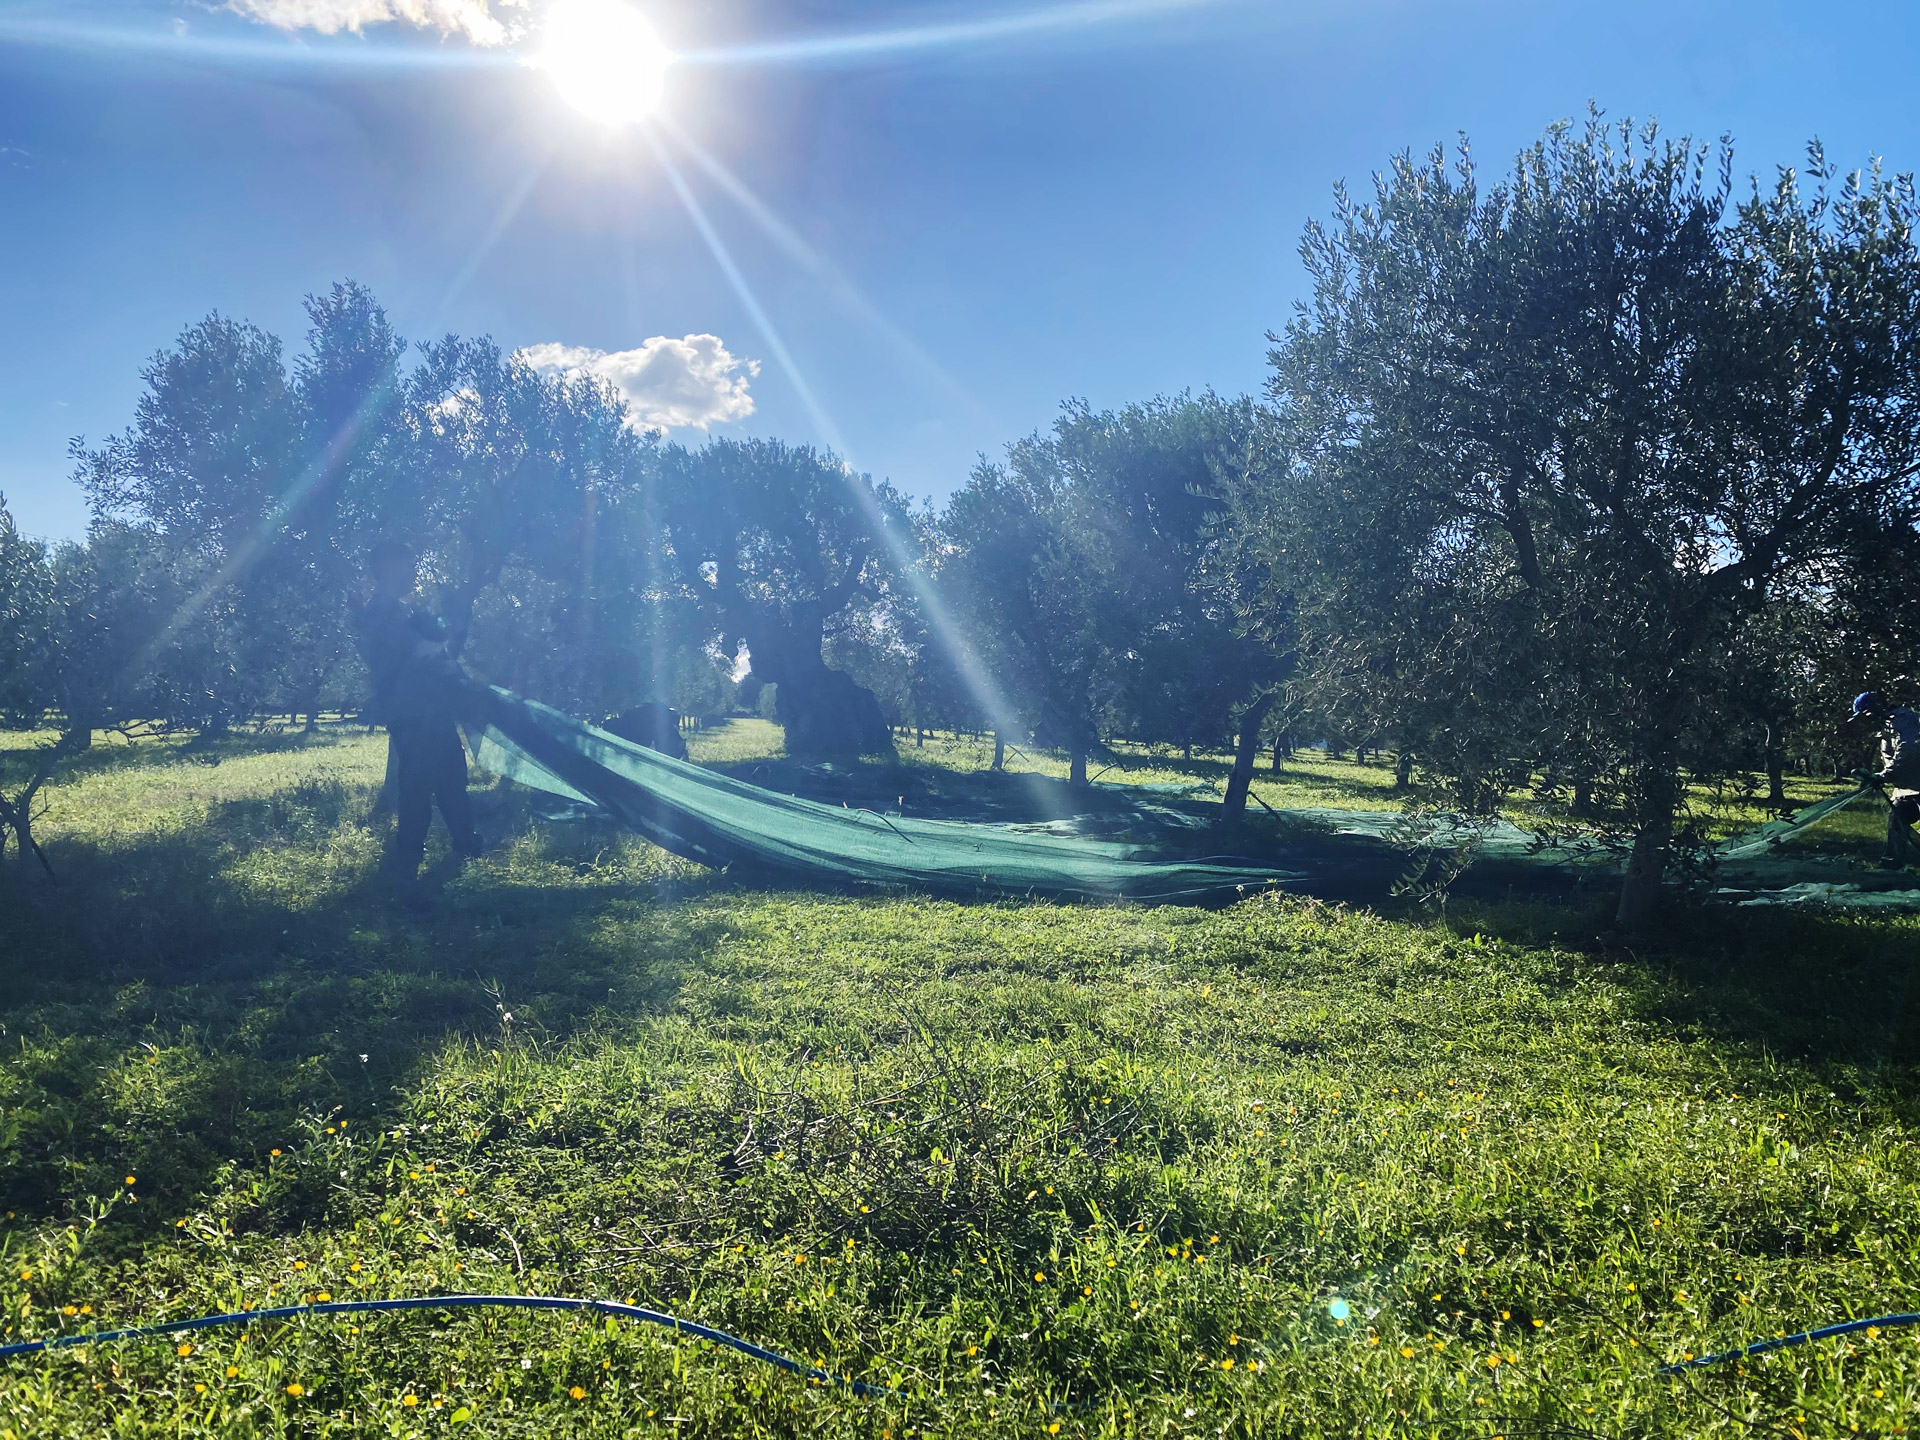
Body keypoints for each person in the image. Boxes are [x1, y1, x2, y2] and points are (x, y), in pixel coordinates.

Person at [352, 541, 483, 900]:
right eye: (406, 565)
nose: (413, 573)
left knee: (453, 780)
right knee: (418, 788)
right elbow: (416, 651)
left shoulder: (406, 611)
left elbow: (438, 641)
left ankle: (465, 845)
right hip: (412, 714)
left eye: (414, 566)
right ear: (385, 566)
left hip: (433, 711)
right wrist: (434, 652)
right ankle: (407, 862)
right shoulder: (379, 611)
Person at [1851, 691, 1920, 868]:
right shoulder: (1888, 724)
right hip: (1907, 788)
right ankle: (1892, 865)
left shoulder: (1903, 719)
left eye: (1867, 714)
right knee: (1897, 821)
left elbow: (1908, 752)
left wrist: (1884, 775)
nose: (1867, 720)